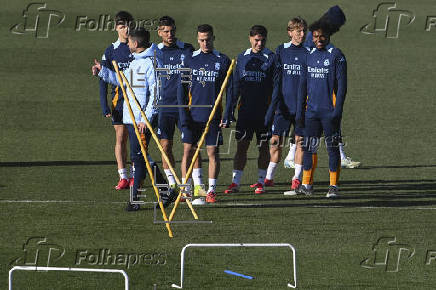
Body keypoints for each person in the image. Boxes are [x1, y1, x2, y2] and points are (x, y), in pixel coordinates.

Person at [93, 28, 173, 211]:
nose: (127, 44)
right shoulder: (136, 61)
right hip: (132, 118)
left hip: (141, 120)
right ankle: (164, 191)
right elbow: (124, 83)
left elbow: (156, 94)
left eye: (129, 42)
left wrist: (147, 117)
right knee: (140, 157)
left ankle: (137, 199)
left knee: (139, 157)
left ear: (136, 44)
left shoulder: (150, 63)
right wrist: (102, 72)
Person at [284, 5, 361, 169]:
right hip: (311, 85)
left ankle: (293, 156)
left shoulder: (318, 38)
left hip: (312, 83)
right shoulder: (315, 42)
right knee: (313, 122)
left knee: (309, 123)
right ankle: (293, 157)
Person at [177, 24, 231, 203]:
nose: (205, 43)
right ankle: (193, 188)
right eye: (201, 40)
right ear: (197, 40)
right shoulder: (189, 59)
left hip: (213, 116)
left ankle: (211, 190)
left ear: (213, 38)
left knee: (212, 152)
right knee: (189, 151)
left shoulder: (223, 61)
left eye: (208, 39)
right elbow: (182, 89)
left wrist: (228, 113)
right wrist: (183, 114)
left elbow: (230, 90)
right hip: (193, 116)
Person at [155, 16, 206, 196]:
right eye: (166, 32)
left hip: (185, 107)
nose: (170, 35)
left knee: (191, 147)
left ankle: (198, 185)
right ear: (160, 32)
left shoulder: (187, 49)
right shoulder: (155, 52)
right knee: (165, 146)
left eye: (172, 31)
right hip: (164, 107)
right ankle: (172, 182)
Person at [296, 18, 347, 198]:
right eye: (315, 36)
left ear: (328, 36)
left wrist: (337, 111)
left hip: (329, 112)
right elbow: (303, 86)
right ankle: (306, 184)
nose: (319, 40)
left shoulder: (336, 55)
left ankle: (334, 186)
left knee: (332, 148)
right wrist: (299, 111)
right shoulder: (308, 55)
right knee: (309, 148)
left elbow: (341, 87)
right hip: (311, 112)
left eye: (322, 37)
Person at [221, 25, 274, 195]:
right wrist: (228, 112)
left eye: (262, 40)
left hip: (265, 113)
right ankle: (235, 183)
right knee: (241, 147)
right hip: (245, 112)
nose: (259, 43)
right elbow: (234, 88)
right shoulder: (241, 58)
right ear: (250, 38)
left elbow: (276, 87)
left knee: (264, 146)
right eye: (256, 40)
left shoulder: (271, 57)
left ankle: (261, 182)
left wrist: (274, 111)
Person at [264, 17, 309, 192]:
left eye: (304, 31)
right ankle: (268, 178)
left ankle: (296, 178)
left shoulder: (309, 52)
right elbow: (273, 76)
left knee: (300, 142)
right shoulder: (281, 50)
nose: (302, 34)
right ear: (290, 32)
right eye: (299, 31)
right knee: (275, 142)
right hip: (283, 107)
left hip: (302, 107)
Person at [99, 11, 135, 190]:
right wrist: (104, 104)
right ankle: (123, 176)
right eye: (122, 27)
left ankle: (136, 174)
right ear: (116, 28)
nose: (126, 30)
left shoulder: (138, 47)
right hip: (119, 101)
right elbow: (102, 78)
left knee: (137, 139)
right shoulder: (111, 50)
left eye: (128, 26)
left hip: (137, 101)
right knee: (121, 138)